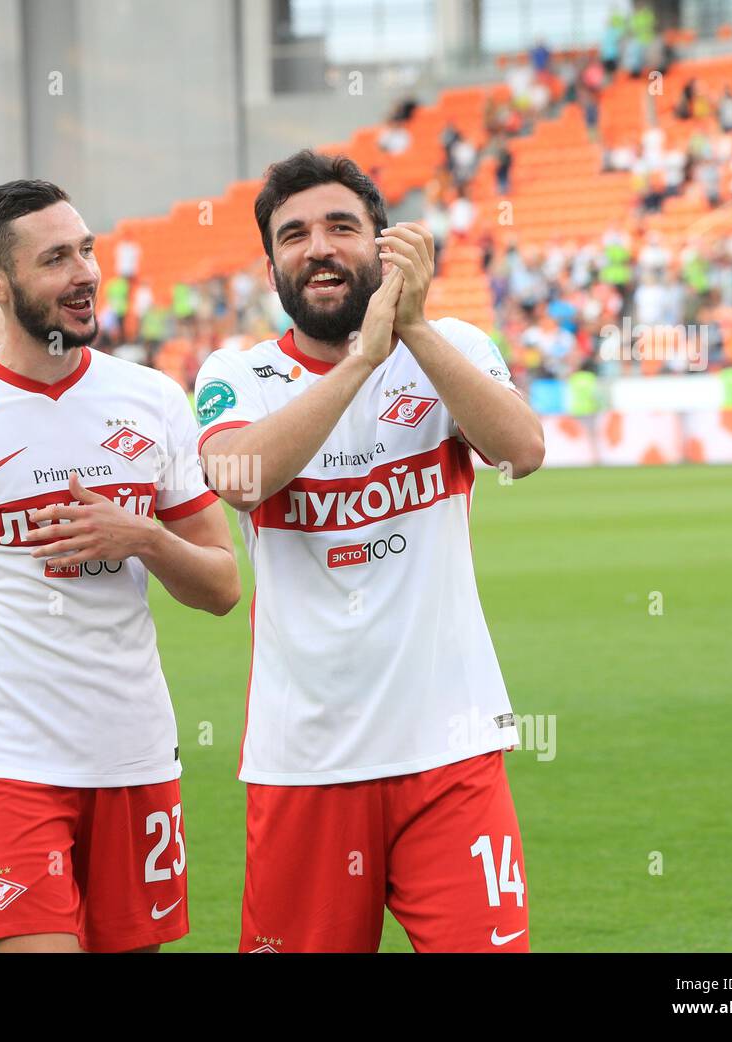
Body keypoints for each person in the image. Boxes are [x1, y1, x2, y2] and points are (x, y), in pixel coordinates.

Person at [0, 179, 239, 954]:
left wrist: (146, 538)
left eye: (87, 250)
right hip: (6, 756)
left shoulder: (152, 398)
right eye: (56, 258)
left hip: (134, 753)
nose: (85, 272)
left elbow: (224, 585)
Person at [194, 150, 544, 953]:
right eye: (294, 235)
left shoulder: (449, 345)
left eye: (341, 227)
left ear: (384, 247)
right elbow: (240, 478)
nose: (318, 246)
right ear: (273, 263)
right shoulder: (237, 374)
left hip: (450, 751)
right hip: (304, 763)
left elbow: (521, 448)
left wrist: (411, 327)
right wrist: (361, 360)